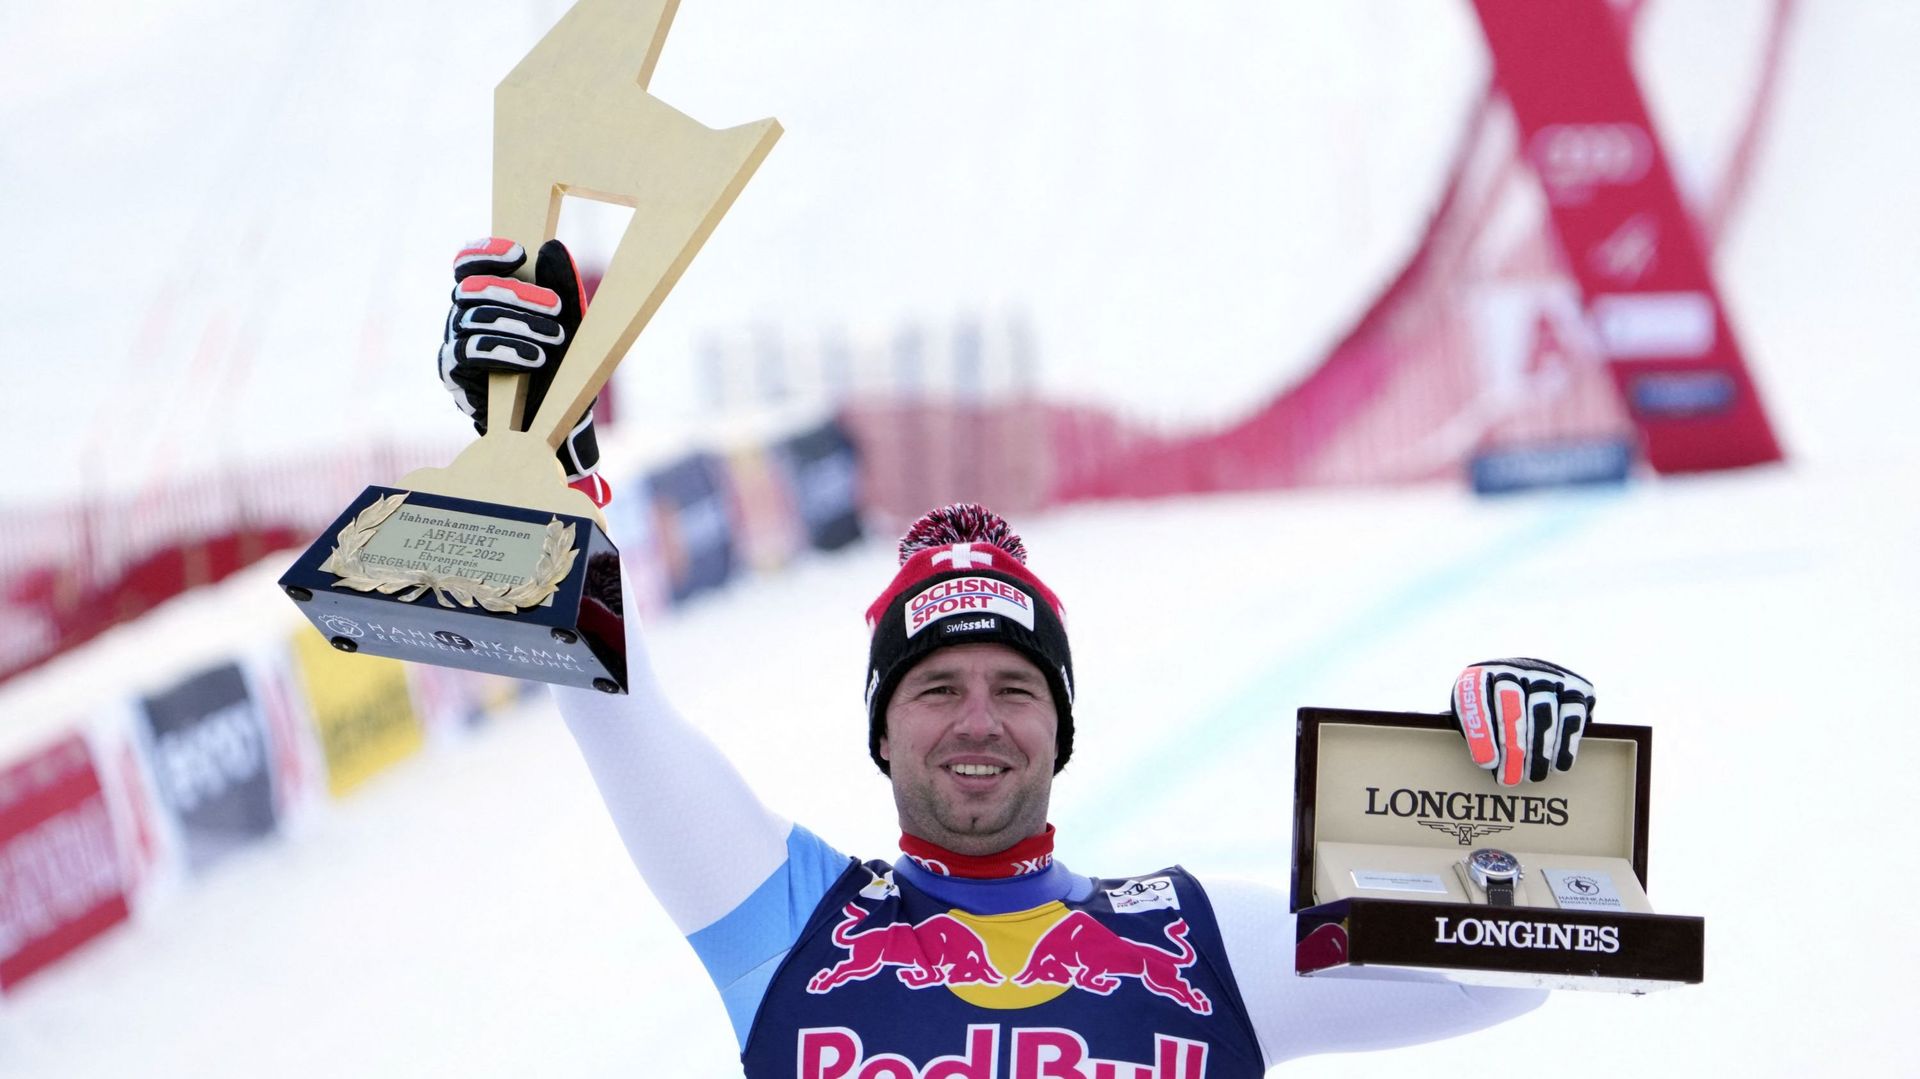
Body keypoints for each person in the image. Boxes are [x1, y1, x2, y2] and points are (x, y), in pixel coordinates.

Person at [440, 238, 1601, 1077]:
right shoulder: (788, 921)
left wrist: (1520, 791)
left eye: (1015, 685)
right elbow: (603, 687)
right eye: (936, 686)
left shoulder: (1198, 940)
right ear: (882, 729)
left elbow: (1497, 973)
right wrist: (538, 452)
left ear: (1064, 725)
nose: (978, 717)